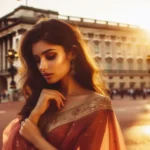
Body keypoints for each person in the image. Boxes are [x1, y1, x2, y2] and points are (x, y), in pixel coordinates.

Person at [2, 19, 126, 150]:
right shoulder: (41, 99)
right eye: (37, 60)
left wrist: (37, 140)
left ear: (71, 53)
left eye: (50, 56)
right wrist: (34, 115)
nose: (42, 67)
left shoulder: (97, 105)